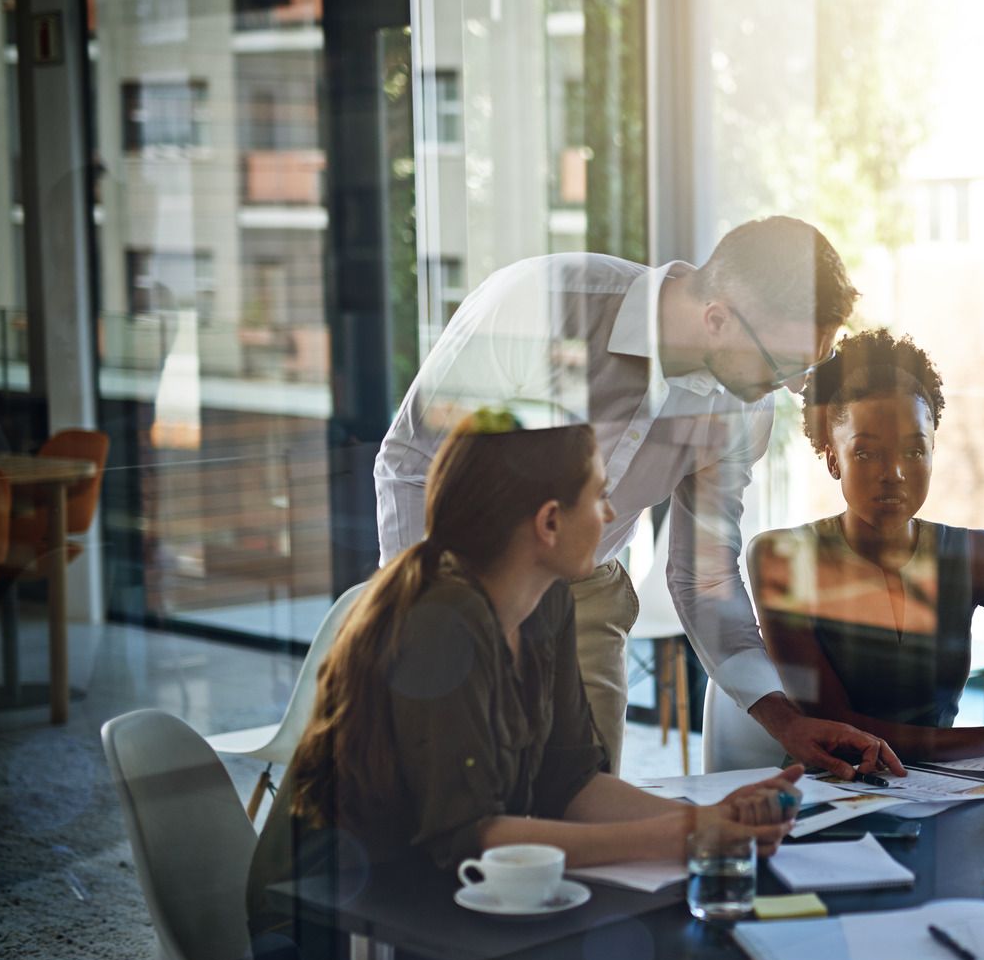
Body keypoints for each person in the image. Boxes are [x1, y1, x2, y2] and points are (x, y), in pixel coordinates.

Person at [250, 409, 803, 960]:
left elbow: (570, 782)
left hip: (449, 918)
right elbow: (472, 836)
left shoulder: (548, 605)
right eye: (598, 496)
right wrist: (686, 835)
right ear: (548, 522)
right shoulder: (441, 620)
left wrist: (707, 817)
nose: (609, 514)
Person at [375, 216, 907, 780]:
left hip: (586, 597)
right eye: (784, 365)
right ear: (717, 319)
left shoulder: (741, 408)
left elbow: (704, 576)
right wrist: (429, 615)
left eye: (809, 366)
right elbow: (411, 465)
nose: (794, 388)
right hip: (459, 578)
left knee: (587, 802)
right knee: (450, 795)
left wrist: (785, 721)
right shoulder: (545, 303)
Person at [749, 328, 984, 761]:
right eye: (867, 453)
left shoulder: (977, 556)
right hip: (829, 799)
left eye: (913, 452)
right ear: (832, 456)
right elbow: (840, 731)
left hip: (936, 797)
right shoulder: (780, 558)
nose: (893, 473)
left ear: (933, 452)